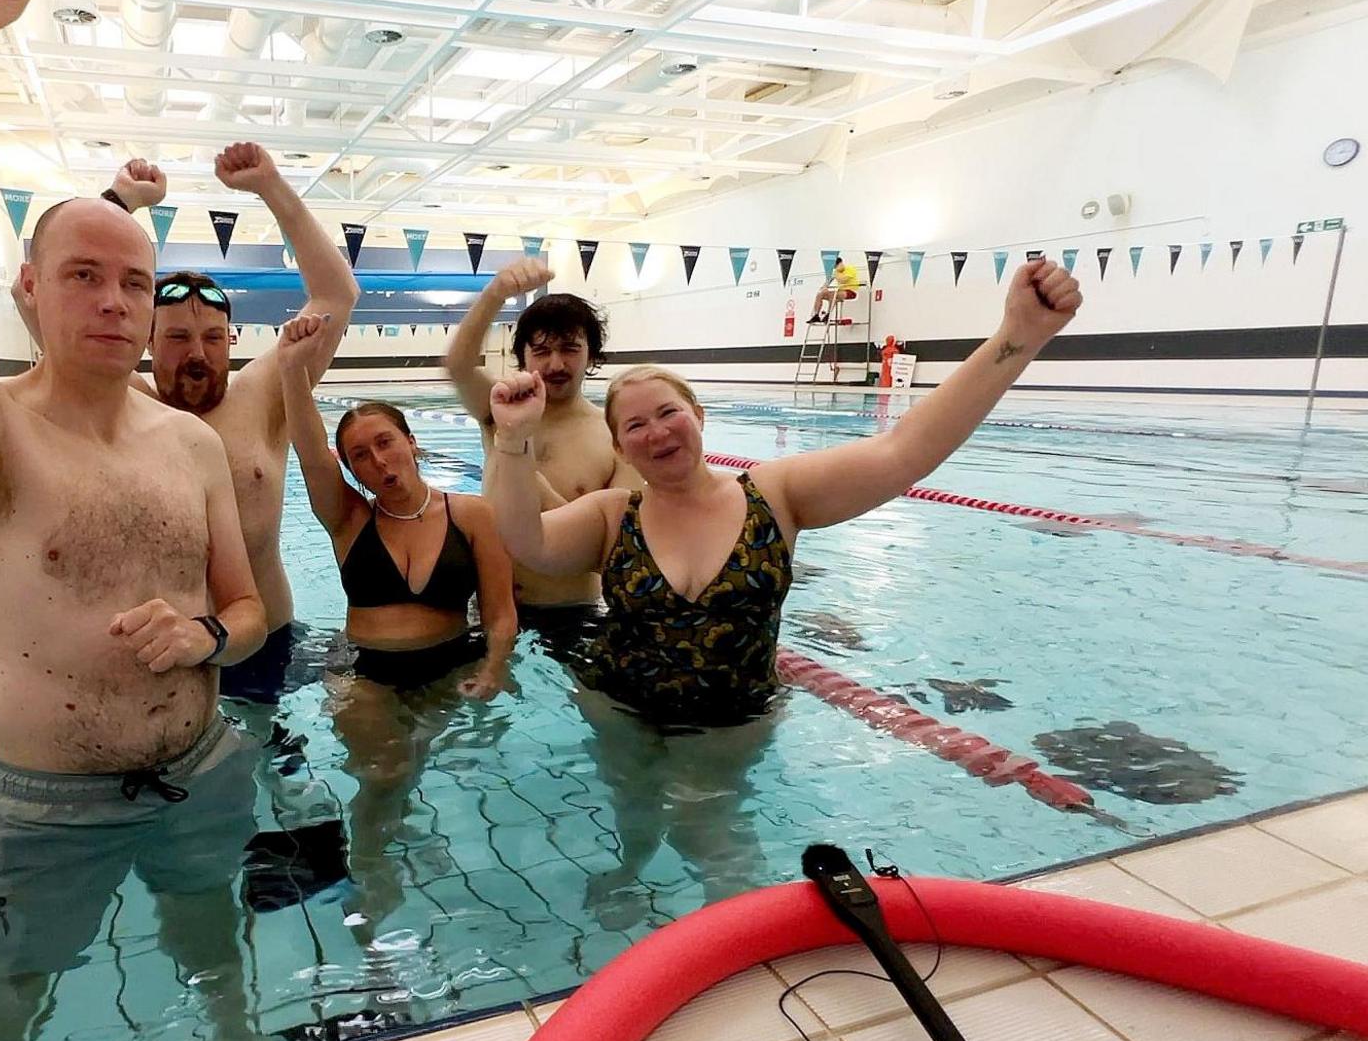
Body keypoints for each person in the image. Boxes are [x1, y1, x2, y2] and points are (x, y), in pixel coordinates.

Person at [0, 0, 271, 1041]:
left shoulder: (188, 443)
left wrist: (209, 639)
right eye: (83, 275)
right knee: (4, 992)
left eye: (133, 280)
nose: (115, 301)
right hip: (42, 812)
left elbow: (250, 607)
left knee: (211, 934)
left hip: (202, 767)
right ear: (30, 289)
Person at [485, 258, 1083, 725]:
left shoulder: (773, 495)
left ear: (698, 415)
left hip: (739, 720)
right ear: (619, 447)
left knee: (725, 855)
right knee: (628, 851)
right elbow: (524, 539)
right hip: (620, 713)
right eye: (635, 425)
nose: (657, 432)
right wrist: (512, 439)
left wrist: (1019, 336)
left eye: (669, 413)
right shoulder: (613, 515)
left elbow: (904, 452)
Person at [17, 146, 360, 706]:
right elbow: (35, 294)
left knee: (282, 776)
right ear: (147, 339)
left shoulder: (262, 398)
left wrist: (271, 187)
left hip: (262, 641)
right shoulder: (118, 401)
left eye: (211, 339)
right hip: (159, 655)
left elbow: (337, 295)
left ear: (231, 343)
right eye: (177, 338)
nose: (196, 354)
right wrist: (121, 202)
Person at [280, 311, 516, 934]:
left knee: (413, 764)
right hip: (368, 671)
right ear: (351, 469)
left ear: (412, 442)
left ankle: (397, 835)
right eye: (360, 454)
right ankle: (373, 865)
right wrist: (291, 370)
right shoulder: (349, 521)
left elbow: (499, 611)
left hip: (451, 665)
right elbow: (307, 449)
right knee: (383, 769)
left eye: (386, 442)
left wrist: (495, 666)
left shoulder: (471, 514)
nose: (377, 460)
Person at [446, 259, 640, 614]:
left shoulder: (614, 435)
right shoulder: (498, 411)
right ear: (521, 356)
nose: (555, 364)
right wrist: (496, 293)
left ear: (591, 354)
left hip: (572, 614)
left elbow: (618, 546)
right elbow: (457, 365)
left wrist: (532, 484)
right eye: (541, 351)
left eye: (569, 349)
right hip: (491, 608)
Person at [810, 256, 863, 324]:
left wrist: (836, 274)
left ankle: (828, 315)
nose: (836, 268)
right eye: (835, 267)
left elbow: (843, 280)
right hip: (839, 292)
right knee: (820, 294)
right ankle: (816, 315)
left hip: (850, 291)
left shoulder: (850, 269)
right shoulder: (835, 272)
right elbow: (828, 281)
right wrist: (824, 287)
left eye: (836, 266)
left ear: (841, 263)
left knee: (833, 294)